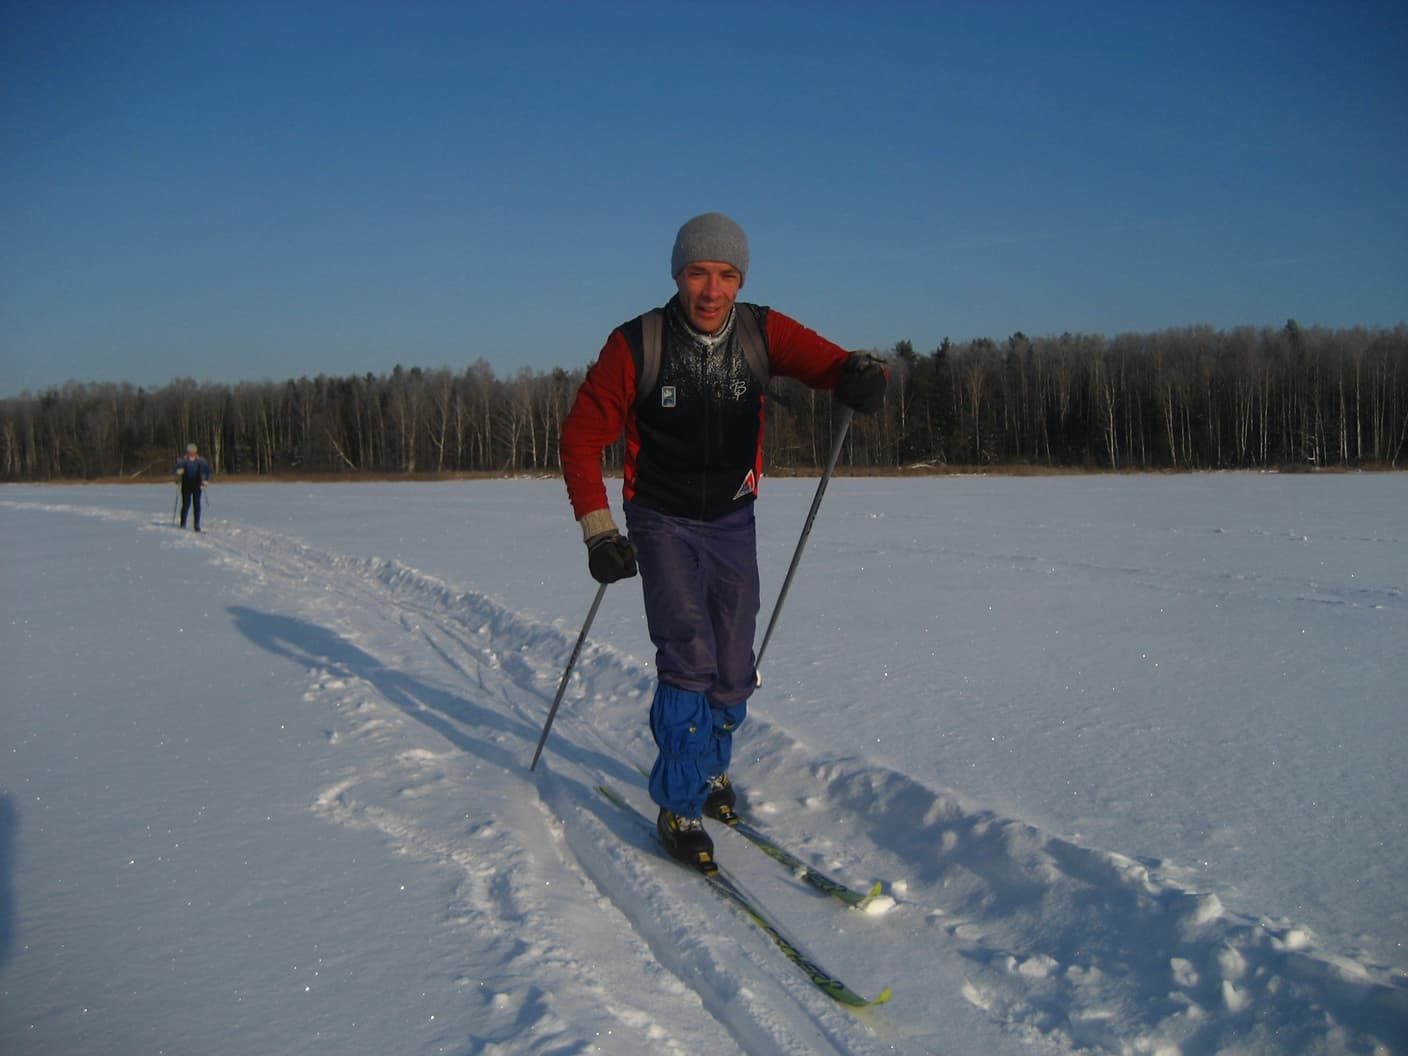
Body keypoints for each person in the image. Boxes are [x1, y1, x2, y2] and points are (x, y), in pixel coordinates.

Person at [560, 212, 887, 867]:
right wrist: (599, 532)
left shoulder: (763, 332)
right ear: (678, 274)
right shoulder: (638, 344)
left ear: (740, 280)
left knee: (734, 667)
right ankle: (678, 805)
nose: (712, 290)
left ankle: (710, 769)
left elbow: (832, 367)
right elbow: (581, 438)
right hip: (661, 517)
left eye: (726, 275)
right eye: (698, 273)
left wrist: (859, 373)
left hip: (734, 517)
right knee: (689, 656)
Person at [173, 442, 213, 531]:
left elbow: (207, 471)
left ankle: (196, 524)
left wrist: (205, 480)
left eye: (193, 451)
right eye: (190, 451)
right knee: (186, 503)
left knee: (197, 504)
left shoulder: (200, 460)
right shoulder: (183, 460)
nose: (192, 453)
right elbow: (176, 468)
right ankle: (183, 523)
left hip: (197, 483)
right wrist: (178, 472)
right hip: (186, 483)